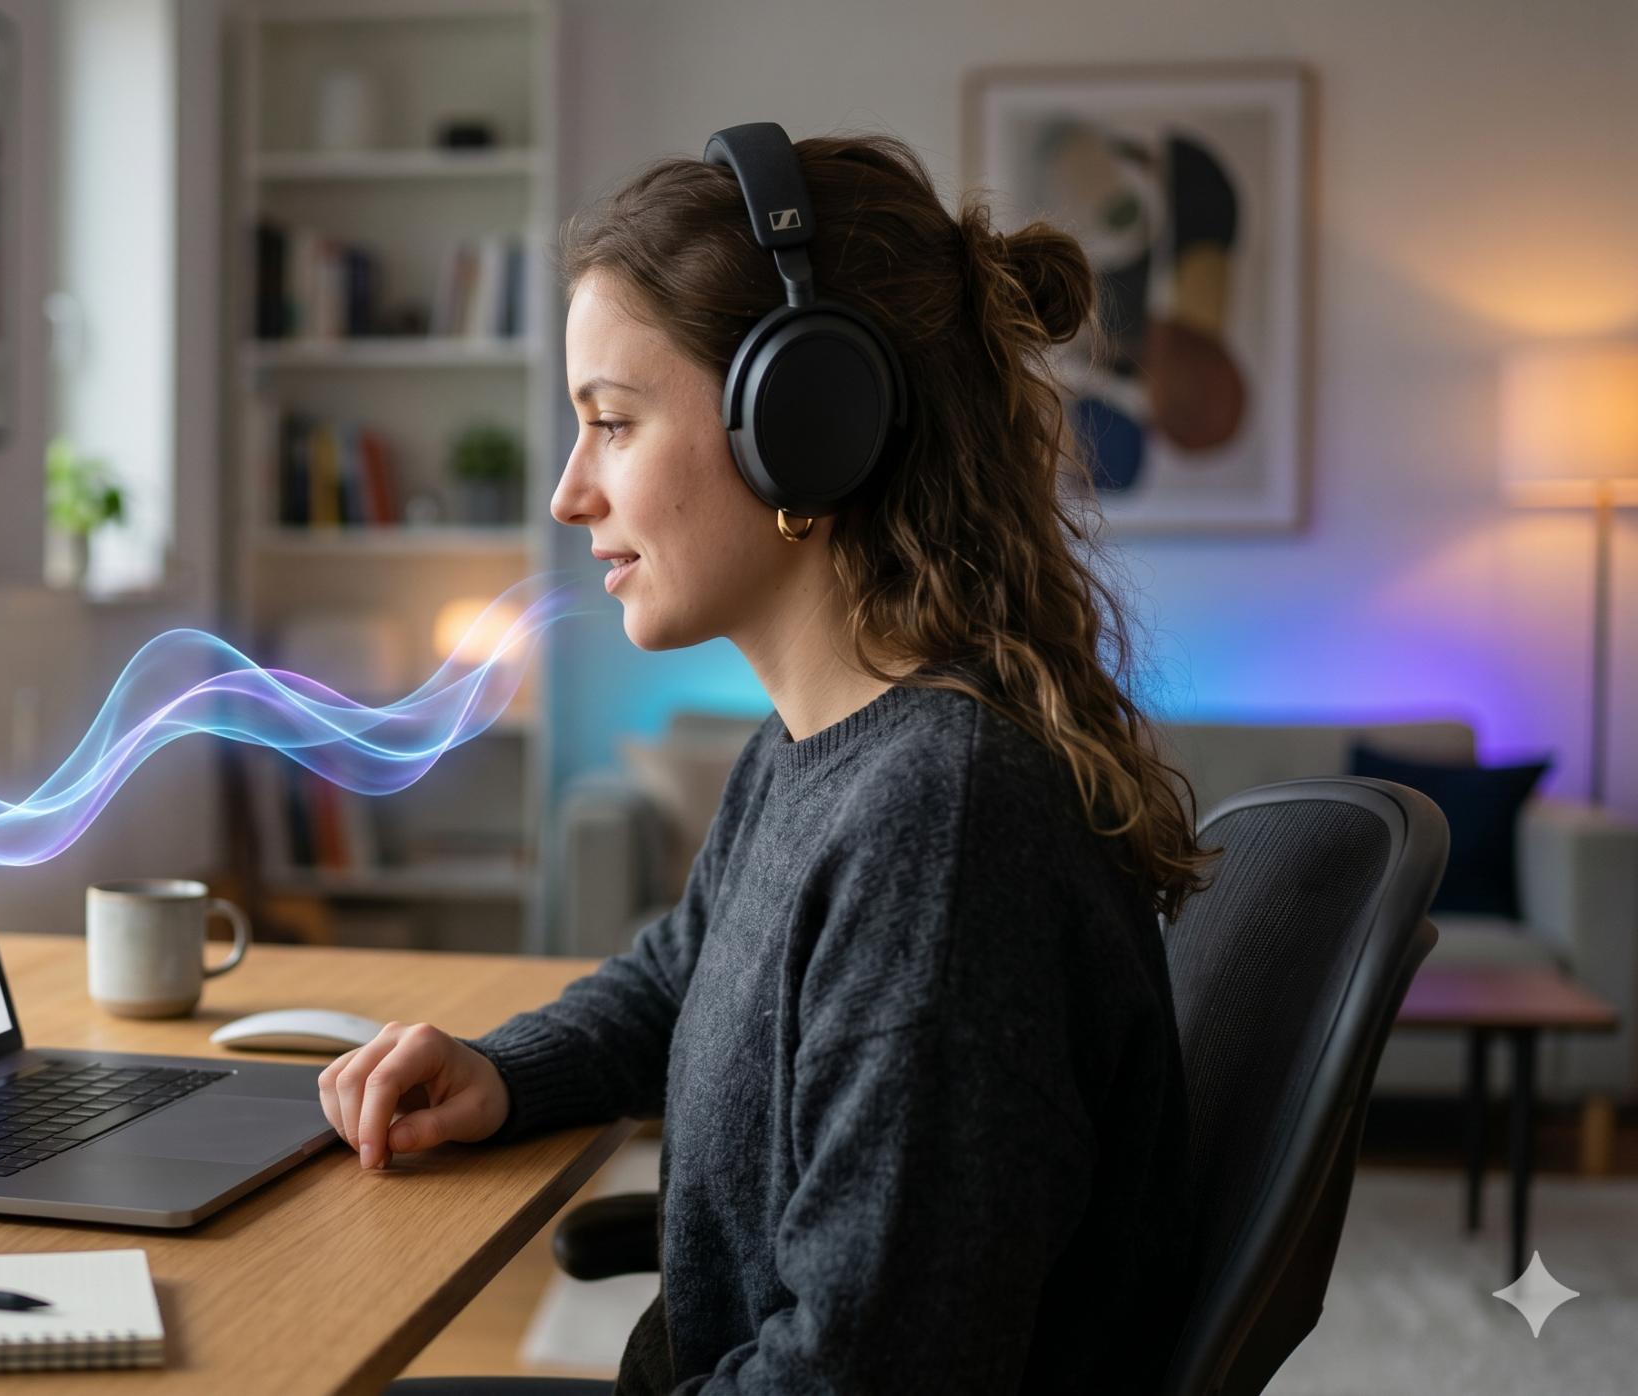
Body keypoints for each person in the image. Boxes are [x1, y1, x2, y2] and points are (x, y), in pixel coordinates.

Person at [320, 133, 1212, 1395]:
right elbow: (677, 978)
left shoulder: (938, 825)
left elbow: (867, 1374)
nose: (570, 493)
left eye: (611, 423)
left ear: (804, 423)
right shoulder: (818, 753)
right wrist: (502, 1071)